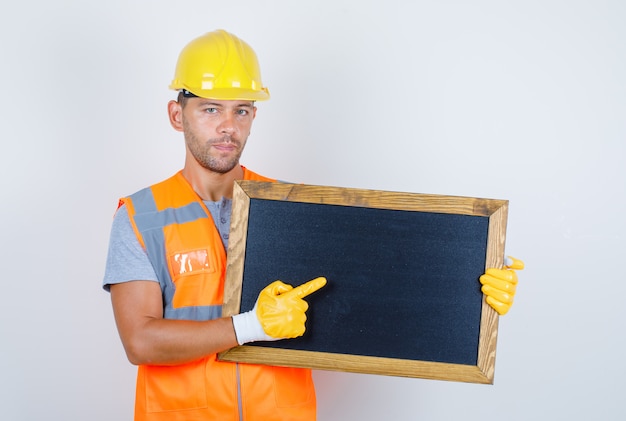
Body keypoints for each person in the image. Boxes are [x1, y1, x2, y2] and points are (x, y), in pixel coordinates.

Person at [103, 29, 524, 421]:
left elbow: (377, 286)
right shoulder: (141, 216)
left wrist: (471, 289)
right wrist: (253, 327)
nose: (228, 126)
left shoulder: (293, 210)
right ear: (178, 115)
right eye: (210, 109)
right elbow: (140, 342)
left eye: (242, 110)